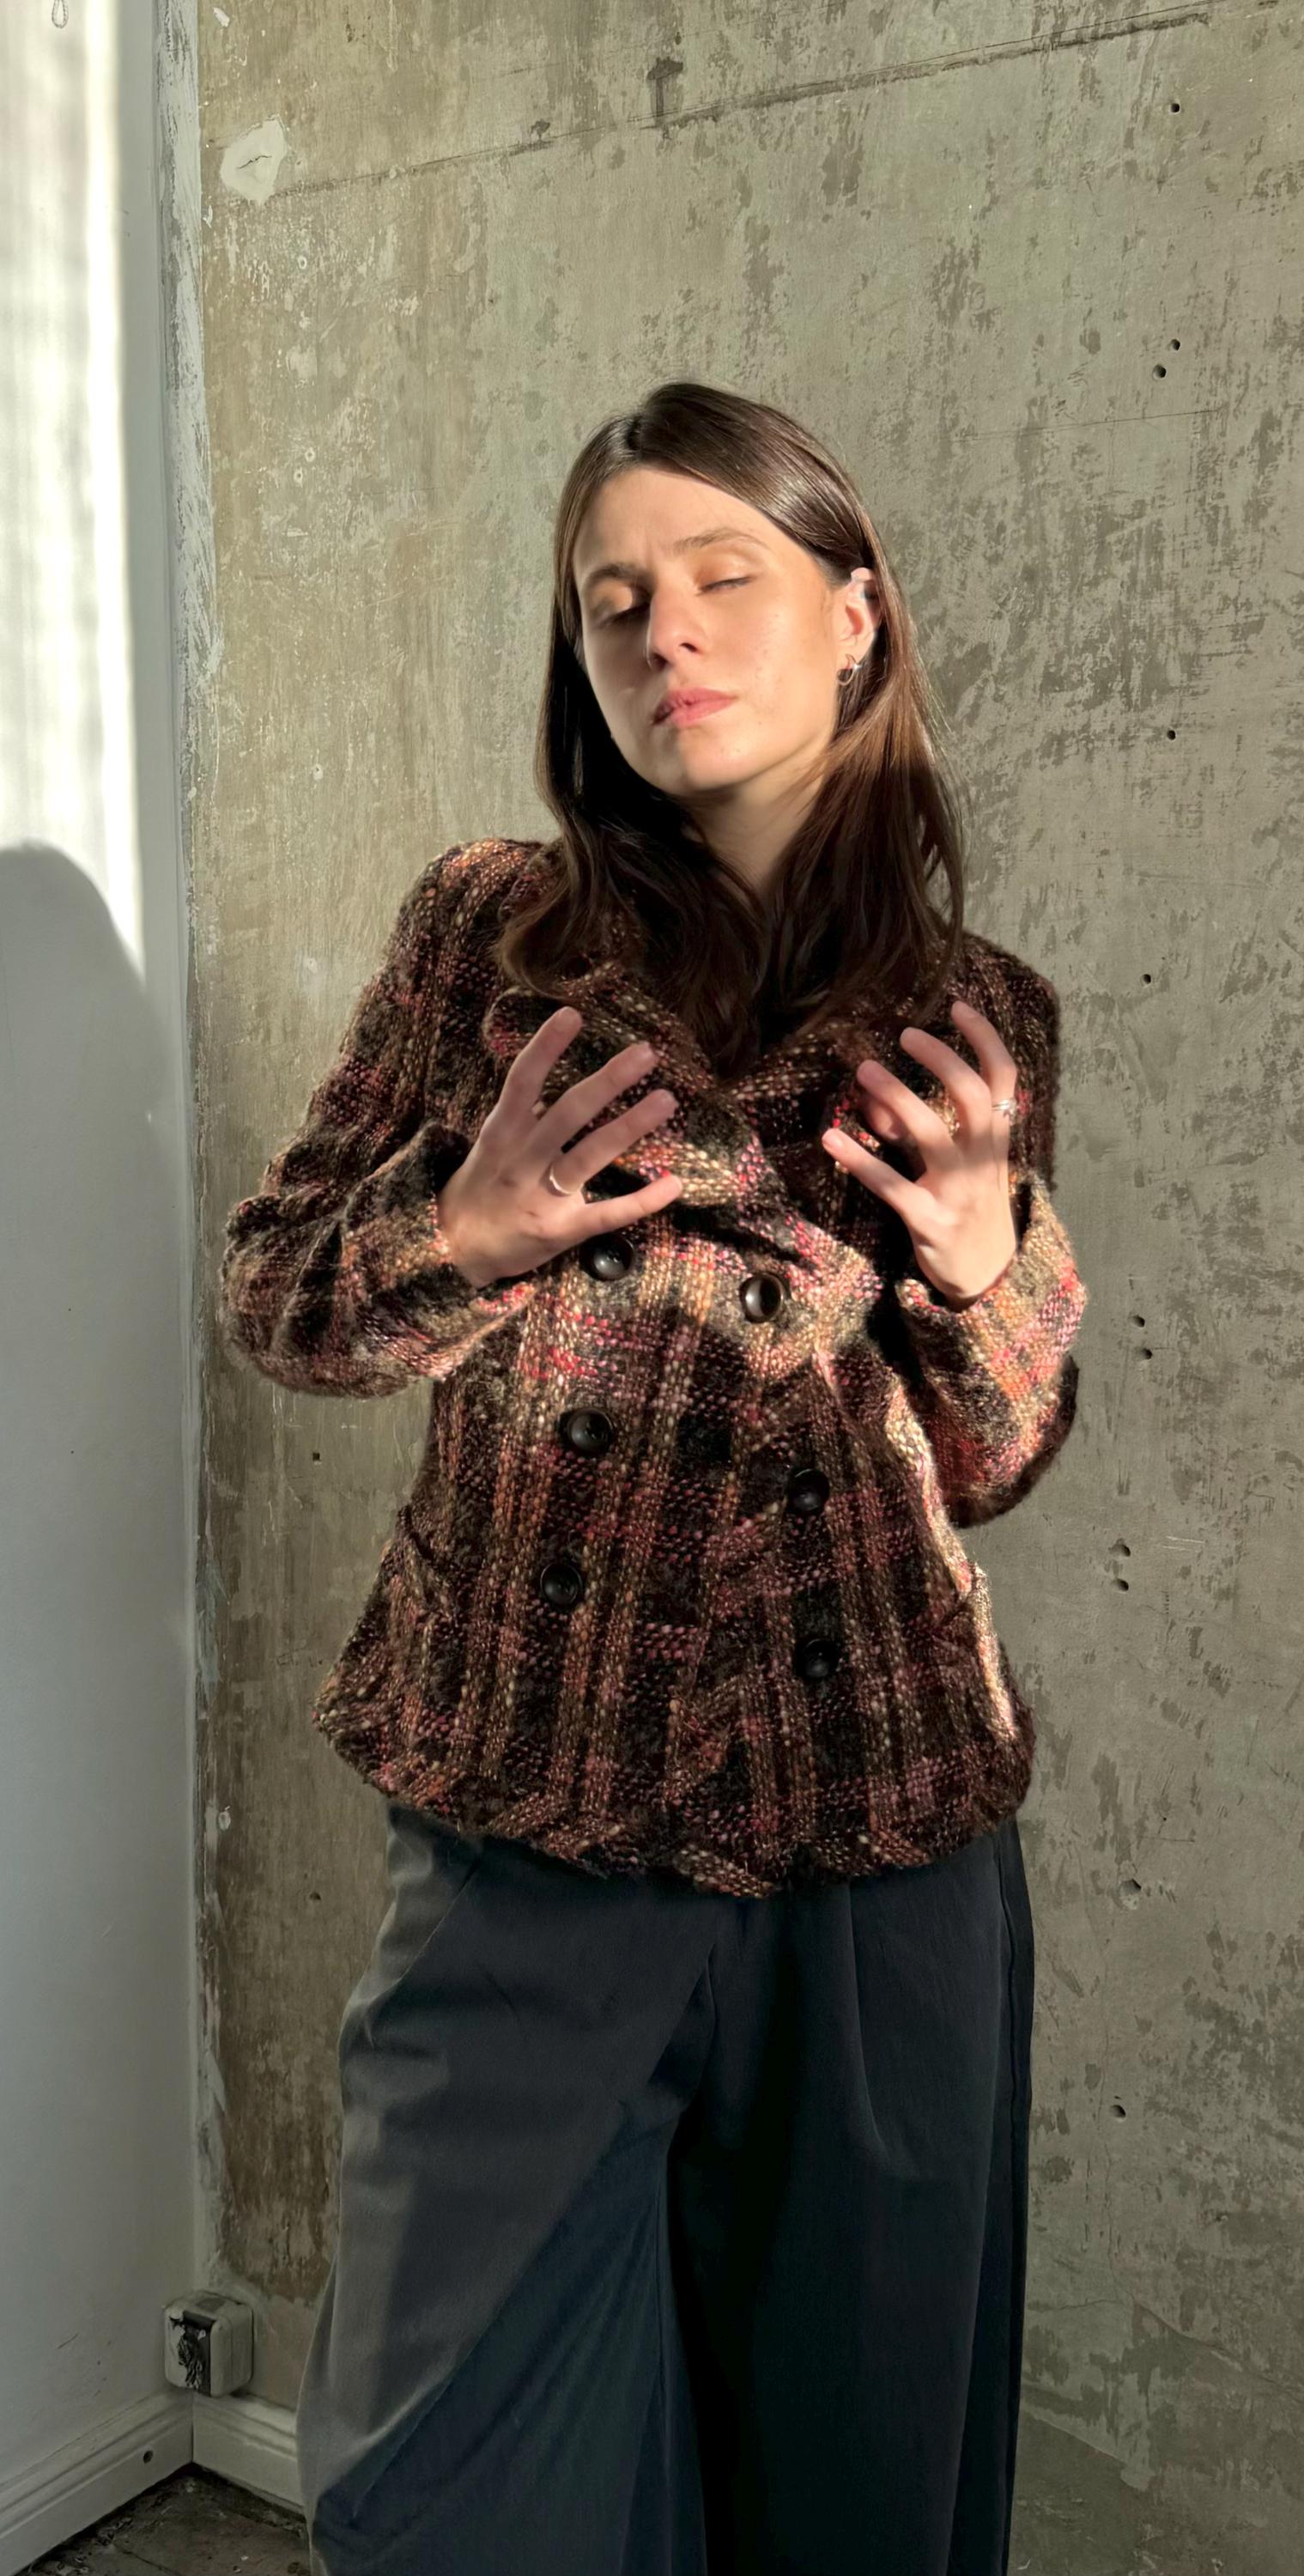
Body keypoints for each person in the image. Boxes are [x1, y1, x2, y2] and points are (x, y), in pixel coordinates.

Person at [218, 379, 1090, 2576]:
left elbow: (987, 1462)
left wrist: (988, 1263)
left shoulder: (971, 1011)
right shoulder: (487, 939)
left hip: (876, 1854)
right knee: (437, 2488)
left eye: (725, 580)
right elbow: (282, 1300)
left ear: (855, 618)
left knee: (858, 2497)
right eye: (615, 603)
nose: (665, 637)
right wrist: (468, 1234)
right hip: (526, 1825)